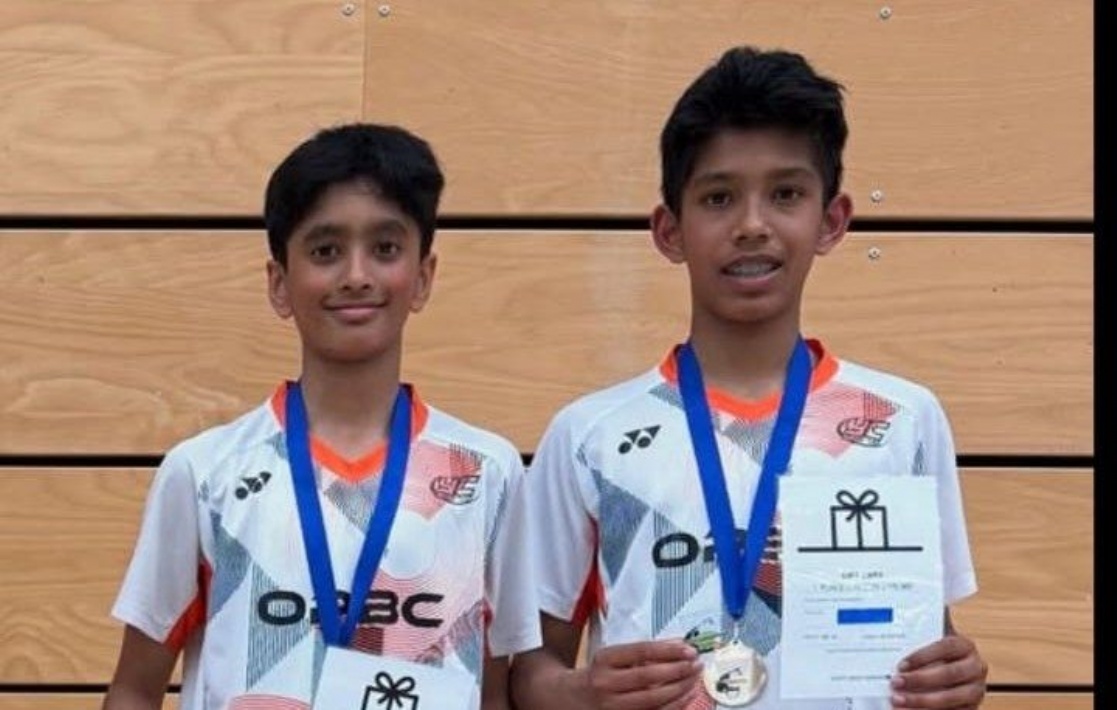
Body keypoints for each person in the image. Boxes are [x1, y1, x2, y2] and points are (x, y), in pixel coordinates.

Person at [510, 46, 988, 710]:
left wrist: (952, 678)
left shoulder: (903, 419)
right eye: (718, 198)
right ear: (669, 231)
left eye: (785, 194)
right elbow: (528, 673)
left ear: (831, 221)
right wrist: (583, 692)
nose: (752, 226)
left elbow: (924, 638)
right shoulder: (587, 436)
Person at [102, 123, 540, 710]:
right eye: (325, 251)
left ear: (423, 277)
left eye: (385, 248)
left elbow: (491, 691)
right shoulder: (204, 473)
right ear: (280, 284)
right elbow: (135, 688)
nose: (356, 275)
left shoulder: (486, 471)